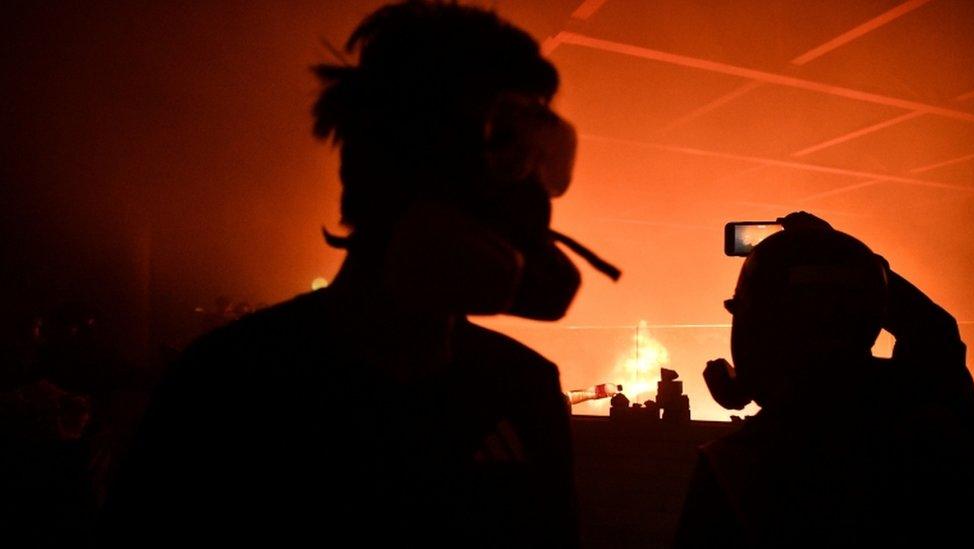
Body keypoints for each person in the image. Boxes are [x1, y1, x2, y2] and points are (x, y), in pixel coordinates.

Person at [103, 2, 619, 546]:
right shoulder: (228, 387)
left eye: (536, 162)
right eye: (498, 153)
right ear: (387, 164)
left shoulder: (523, 387)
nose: (523, 200)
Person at [676, 212, 974, 548]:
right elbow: (934, 333)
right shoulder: (930, 416)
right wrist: (844, 257)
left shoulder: (735, 467)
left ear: (755, 329)